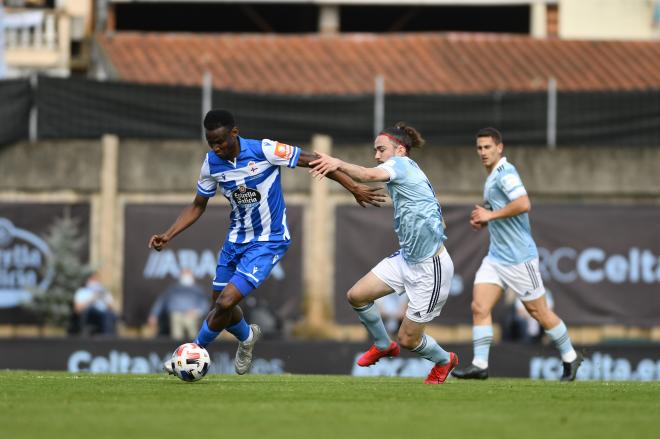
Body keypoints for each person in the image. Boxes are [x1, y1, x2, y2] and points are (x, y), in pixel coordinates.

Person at [149, 109, 384, 376]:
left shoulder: (266, 150)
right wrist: (168, 234)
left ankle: (191, 351)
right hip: (235, 240)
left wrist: (354, 187)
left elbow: (315, 161)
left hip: (268, 241)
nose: (217, 147)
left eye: (221, 141)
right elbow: (197, 205)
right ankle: (247, 336)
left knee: (226, 302)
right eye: (211, 143)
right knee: (219, 305)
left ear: (234, 133)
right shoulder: (211, 164)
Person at [310, 122, 458, 384]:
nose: (377, 155)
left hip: (430, 267)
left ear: (399, 149)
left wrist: (337, 162)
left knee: (409, 339)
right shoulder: (408, 172)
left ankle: (444, 360)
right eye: (375, 151)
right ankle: (382, 344)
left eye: (381, 149)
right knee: (356, 296)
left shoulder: (400, 164)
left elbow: (366, 175)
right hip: (407, 259)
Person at [452, 127, 582, 381]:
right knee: (479, 306)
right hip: (496, 257)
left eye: (487, 147)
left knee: (540, 313)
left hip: (519, 258)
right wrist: (485, 218)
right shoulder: (491, 178)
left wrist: (490, 214)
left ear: (499, 148)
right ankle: (480, 365)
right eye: (479, 148)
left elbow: (523, 203)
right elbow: (503, 208)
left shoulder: (505, 173)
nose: (483, 152)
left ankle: (570, 356)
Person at [147, 268, 209, 340]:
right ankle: (177, 349)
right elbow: (161, 302)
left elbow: (204, 304)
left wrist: (197, 312)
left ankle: (195, 348)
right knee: (177, 335)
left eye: (188, 274)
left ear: (192, 276)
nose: (186, 277)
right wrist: (154, 314)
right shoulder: (173, 288)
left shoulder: (198, 289)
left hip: (191, 315)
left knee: (193, 334)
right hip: (176, 314)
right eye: (184, 274)